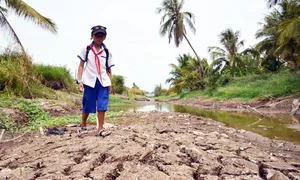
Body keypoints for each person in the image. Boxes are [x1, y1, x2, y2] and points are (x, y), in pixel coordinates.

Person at [76, 25, 114, 136]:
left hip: (103, 82)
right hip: (89, 81)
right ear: (92, 36)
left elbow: (109, 69)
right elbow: (81, 65)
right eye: (97, 35)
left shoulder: (107, 52)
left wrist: (110, 82)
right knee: (87, 104)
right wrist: (80, 81)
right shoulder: (86, 49)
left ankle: (100, 128)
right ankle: (83, 123)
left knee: (102, 105)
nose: (99, 38)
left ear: (104, 37)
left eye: (101, 36)